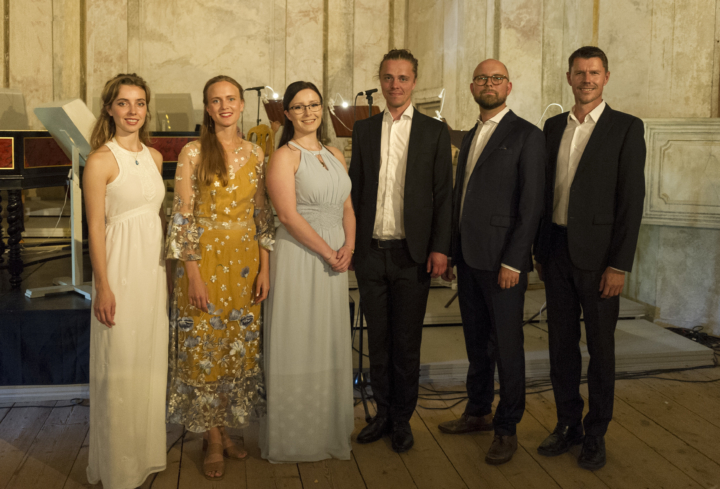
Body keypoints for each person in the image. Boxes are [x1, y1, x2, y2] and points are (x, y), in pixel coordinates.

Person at [534, 46, 646, 470]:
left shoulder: (625, 128)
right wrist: (539, 249)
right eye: (579, 73)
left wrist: (619, 264)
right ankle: (567, 424)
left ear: (606, 77)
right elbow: (545, 195)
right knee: (561, 345)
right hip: (556, 252)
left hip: (600, 262)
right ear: (568, 78)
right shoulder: (551, 127)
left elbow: (631, 202)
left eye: (594, 72)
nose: (586, 79)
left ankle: (596, 432)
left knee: (600, 349)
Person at [165, 75, 274, 480]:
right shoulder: (193, 152)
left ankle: (227, 430)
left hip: (245, 263)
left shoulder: (258, 154)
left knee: (235, 348)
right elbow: (183, 217)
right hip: (205, 262)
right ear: (207, 109)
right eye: (216, 100)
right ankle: (212, 439)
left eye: (231, 99)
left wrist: (266, 267)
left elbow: (263, 215)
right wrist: (192, 275)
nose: (224, 105)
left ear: (243, 105)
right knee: (205, 351)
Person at [438, 59, 545, 465]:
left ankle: (507, 426)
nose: (489, 83)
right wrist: (449, 250)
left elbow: (532, 205)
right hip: (468, 257)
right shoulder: (470, 136)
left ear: (509, 86)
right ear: (471, 86)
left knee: (507, 347)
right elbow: (460, 198)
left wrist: (516, 261)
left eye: (496, 78)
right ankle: (478, 411)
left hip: (504, 262)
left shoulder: (527, 135)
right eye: (482, 77)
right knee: (476, 344)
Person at [350, 49, 453, 453]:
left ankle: (403, 420)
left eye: (403, 78)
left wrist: (440, 248)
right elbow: (355, 191)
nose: (396, 85)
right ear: (380, 80)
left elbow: (443, 195)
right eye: (389, 77)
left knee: (406, 342)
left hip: (413, 254)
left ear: (414, 81)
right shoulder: (363, 130)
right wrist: (351, 244)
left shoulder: (433, 131)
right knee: (378, 340)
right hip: (371, 252)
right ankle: (382, 413)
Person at [261, 81, 355, 462]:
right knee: (300, 337)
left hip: (336, 251)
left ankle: (328, 428)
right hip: (301, 253)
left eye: (313, 105)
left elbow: (347, 206)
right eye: (298, 107)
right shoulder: (284, 156)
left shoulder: (335, 152)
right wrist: (328, 251)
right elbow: (286, 215)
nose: (308, 112)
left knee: (328, 338)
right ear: (287, 113)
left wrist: (348, 246)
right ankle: (297, 435)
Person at [84, 73, 169, 488]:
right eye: (124, 103)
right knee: (118, 363)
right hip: (118, 269)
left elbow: (158, 219)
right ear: (109, 108)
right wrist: (102, 285)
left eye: (139, 103)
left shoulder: (154, 157)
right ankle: (118, 468)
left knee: (147, 361)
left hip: (151, 273)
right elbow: (95, 228)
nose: (133, 111)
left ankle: (144, 454)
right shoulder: (101, 159)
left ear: (146, 109)